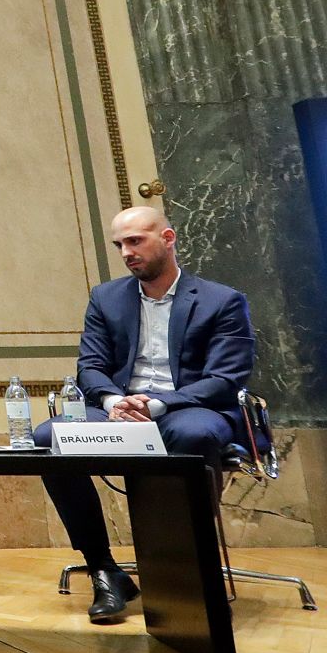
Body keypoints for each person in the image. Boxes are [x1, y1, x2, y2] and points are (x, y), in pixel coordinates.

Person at [34, 206, 255, 623]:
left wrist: (156, 404)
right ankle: (104, 568)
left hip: (188, 406)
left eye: (135, 241)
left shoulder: (221, 300)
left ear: (168, 238)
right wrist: (114, 402)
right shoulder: (105, 297)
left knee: (193, 436)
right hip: (119, 407)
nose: (126, 252)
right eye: (120, 244)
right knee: (49, 438)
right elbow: (91, 366)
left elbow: (226, 378)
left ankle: (182, 566)